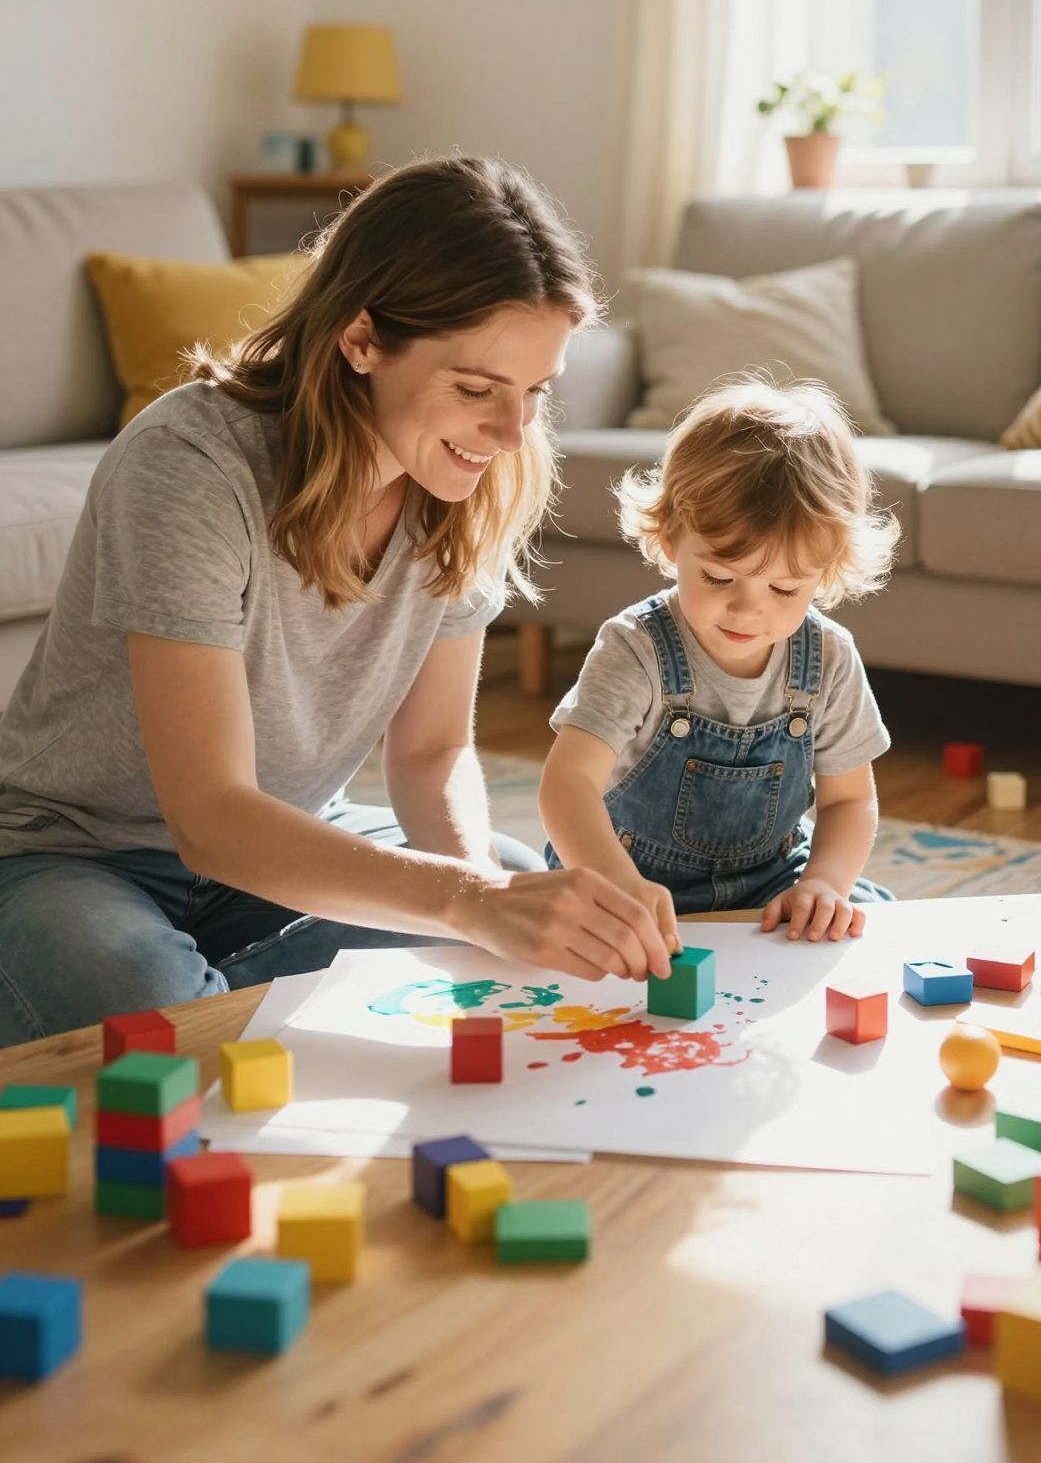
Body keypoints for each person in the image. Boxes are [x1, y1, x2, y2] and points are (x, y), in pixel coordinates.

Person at [0, 155, 673, 1046]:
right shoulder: (191, 467)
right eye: (475, 388)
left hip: (283, 845)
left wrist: (478, 898)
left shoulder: (473, 477)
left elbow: (432, 754)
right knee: (151, 994)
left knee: (511, 885)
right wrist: (465, 907)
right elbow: (209, 818)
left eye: (534, 394)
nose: (511, 432)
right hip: (79, 853)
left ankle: (193, 1012)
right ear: (362, 341)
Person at [539, 376, 900, 943]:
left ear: (825, 575)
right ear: (668, 539)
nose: (746, 609)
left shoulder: (828, 658)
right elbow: (566, 786)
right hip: (628, 884)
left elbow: (851, 799)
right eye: (717, 577)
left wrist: (824, 883)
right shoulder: (636, 647)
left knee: (868, 910)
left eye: (784, 589)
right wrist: (616, 882)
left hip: (771, 885)